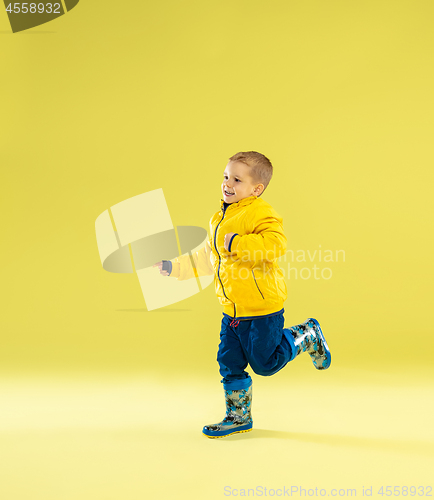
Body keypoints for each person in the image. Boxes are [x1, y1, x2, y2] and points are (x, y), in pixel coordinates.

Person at [153, 151, 331, 439]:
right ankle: (237, 416)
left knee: (265, 364)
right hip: (232, 311)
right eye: (225, 176)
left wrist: (239, 242)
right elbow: (209, 257)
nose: (228, 183)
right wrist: (174, 266)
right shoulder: (218, 219)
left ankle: (307, 334)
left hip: (262, 308)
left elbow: (276, 244)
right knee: (229, 362)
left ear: (256, 189)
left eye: (237, 179)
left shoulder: (260, 212)